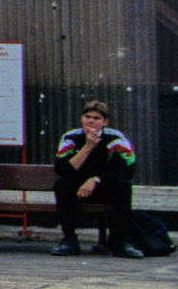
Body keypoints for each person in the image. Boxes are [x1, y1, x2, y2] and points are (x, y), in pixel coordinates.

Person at [52, 99, 139, 258]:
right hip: (78, 189)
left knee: (124, 186)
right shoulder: (70, 138)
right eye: (87, 116)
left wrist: (96, 180)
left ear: (105, 122)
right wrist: (87, 147)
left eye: (97, 118)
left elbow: (126, 170)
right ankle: (69, 239)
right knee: (62, 184)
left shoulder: (116, 138)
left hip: (104, 187)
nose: (91, 120)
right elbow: (63, 170)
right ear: (81, 118)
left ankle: (119, 241)